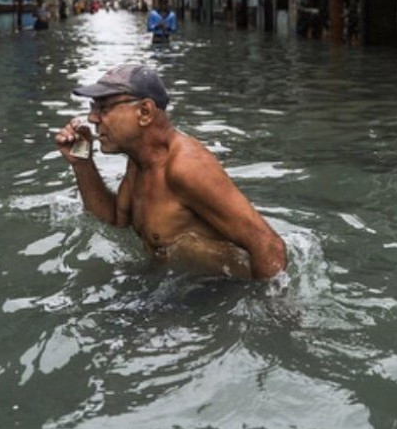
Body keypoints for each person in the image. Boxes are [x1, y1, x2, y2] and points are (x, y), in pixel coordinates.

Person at [54, 64, 287, 280]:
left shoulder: (186, 167)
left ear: (145, 112)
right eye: (93, 107)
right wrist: (82, 163)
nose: (92, 118)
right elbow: (114, 219)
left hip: (220, 293)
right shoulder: (139, 162)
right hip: (176, 283)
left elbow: (268, 246)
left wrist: (272, 315)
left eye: (104, 107)